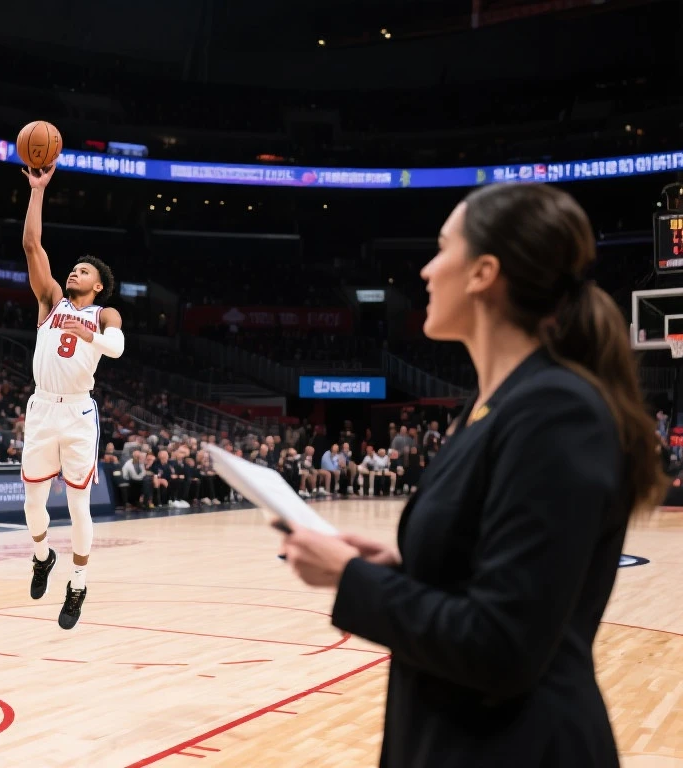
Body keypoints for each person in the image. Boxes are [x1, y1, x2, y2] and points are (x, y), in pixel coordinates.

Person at [280, 183, 665, 767]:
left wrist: (353, 578)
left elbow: (503, 645)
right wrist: (398, 571)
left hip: (520, 747)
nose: (427, 270)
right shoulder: (488, 407)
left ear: (484, 272)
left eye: (442, 248)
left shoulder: (556, 410)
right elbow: (484, 580)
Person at [20, 162, 124, 630]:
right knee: (32, 505)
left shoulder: (105, 314)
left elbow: (116, 348)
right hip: (42, 407)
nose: (73, 272)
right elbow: (32, 245)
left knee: (78, 506)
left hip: (79, 413)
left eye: (83, 271)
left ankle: (78, 584)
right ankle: (43, 556)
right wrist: (38, 190)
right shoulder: (50, 300)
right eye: (73, 268)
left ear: (97, 285)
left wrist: (87, 333)